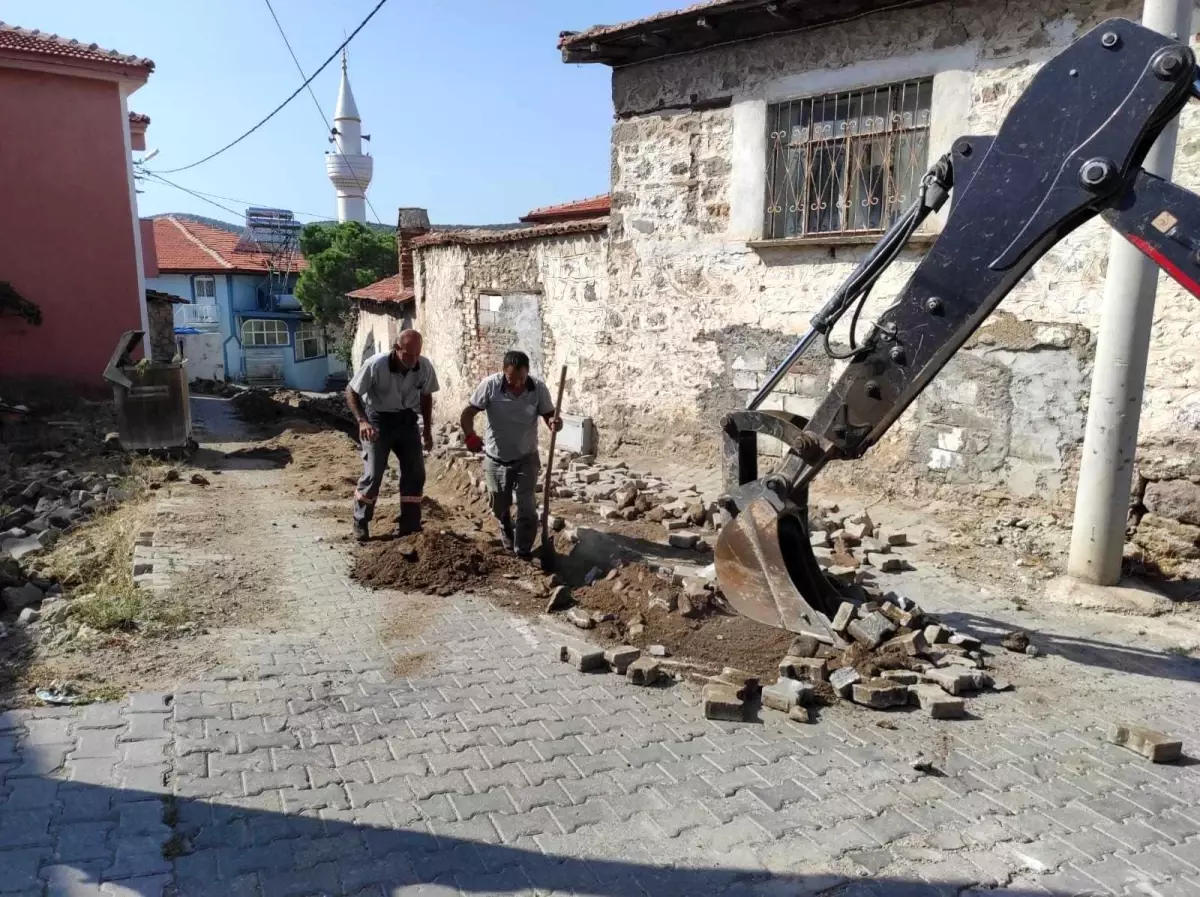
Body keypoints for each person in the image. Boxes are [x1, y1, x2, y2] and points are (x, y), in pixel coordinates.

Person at [461, 351, 562, 559]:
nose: (516, 384)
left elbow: (548, 414)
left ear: (528, 373)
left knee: (526, 505)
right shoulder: (490, 386)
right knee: (499, 506)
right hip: (496, 459)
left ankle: (523, 550)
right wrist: (470, 435)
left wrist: (553, 422)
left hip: (526, 457)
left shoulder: (537, 388)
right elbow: (468, 412)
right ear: (503, 372)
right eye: (511, 379)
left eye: (521, 379)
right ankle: (507, 532)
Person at [346, 330, 439, 542]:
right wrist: (362, 421)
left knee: (415, 473)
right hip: (378, 421)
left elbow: (426, 396)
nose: (413, 360)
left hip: (407, 421)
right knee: (373, 474)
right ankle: (360, 521)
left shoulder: (423, 366)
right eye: (408, 354)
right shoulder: (376, 364)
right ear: (397, 349)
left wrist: (427, 430)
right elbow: (351, 391)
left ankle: (410, 525)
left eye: (417, 354)